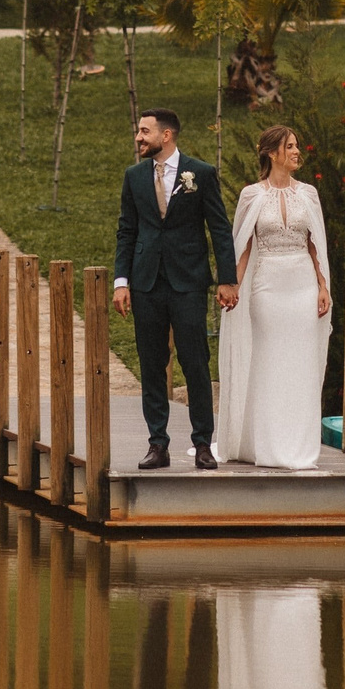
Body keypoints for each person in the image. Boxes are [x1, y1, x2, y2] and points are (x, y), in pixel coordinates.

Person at [113, 109, 238, 471]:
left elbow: (219, 227)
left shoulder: (200, 173)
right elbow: (126, 230)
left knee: (195, 362)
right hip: (146, 282)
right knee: (152, 363)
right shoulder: (134, 176)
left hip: (188, 282)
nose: (139, 137)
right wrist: (122, 282)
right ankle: (158, 444)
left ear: (165, 135)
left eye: (144, 131)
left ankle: (202, 444)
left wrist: (227, 279)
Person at [217, 125, 333, 470]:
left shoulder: (309, 193)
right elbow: (243, 247)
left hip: (302, 285)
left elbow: (315, 244)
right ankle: (266, 445)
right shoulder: (251, 195)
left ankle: (299, 446)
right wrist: (232, 286)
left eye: (297, 146)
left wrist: (323, 286)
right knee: (269, 363)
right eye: (290, 146)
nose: (297, 152)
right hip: (267, 286)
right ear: (272, 153)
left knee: (301, 365)